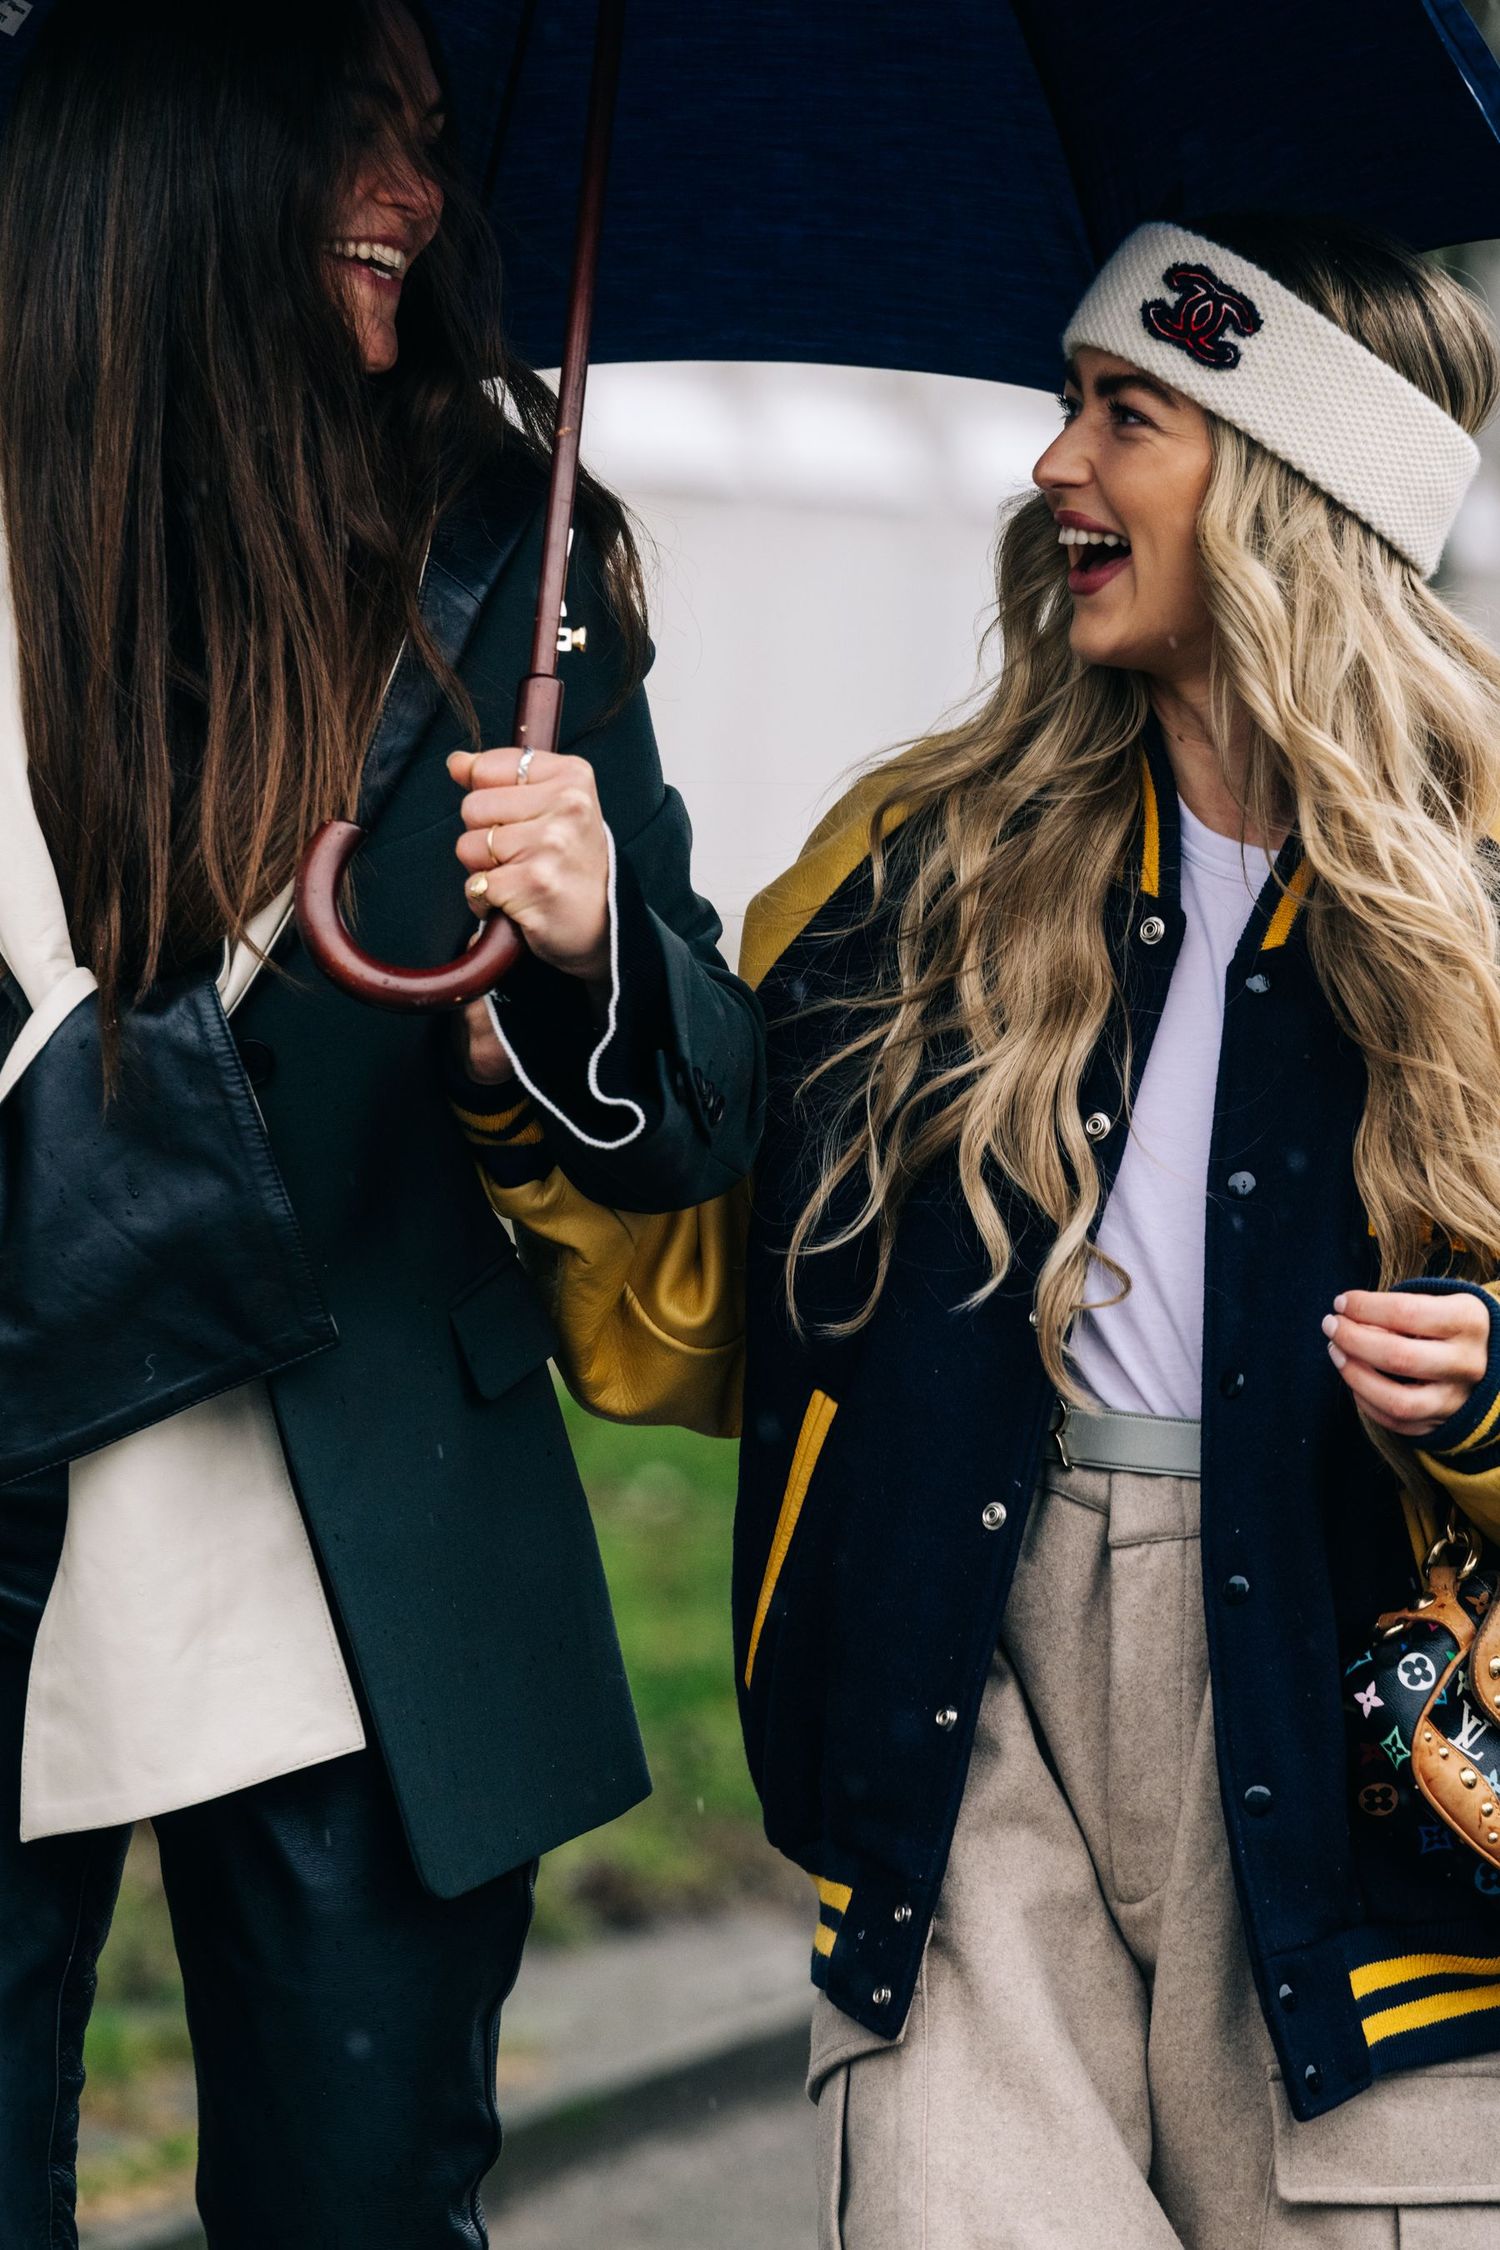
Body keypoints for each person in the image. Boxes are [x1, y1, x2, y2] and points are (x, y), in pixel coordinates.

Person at [480, 215, 1500, 2245]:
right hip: (977, 1718)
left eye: (1129, 414)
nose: (1056, 464)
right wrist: (559, 1010)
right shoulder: (913, 874)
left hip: (1358, 1761)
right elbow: (697, 1314)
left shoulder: (1483, 901)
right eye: (1066, 403)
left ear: (1291, 490)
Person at [0, 3, 761, 2243]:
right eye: (355, 130)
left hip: (363, 1583)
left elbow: (686, 1119)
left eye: (434, 143)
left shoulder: (501, 563)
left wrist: (590, 951)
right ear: (156, 140)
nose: (418, 200)